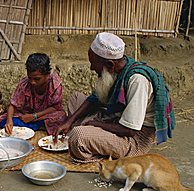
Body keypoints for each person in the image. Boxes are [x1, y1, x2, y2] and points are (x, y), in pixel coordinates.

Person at [55, 32, 175, 163]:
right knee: (75, 98)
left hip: (133, 139)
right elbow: (95, 98)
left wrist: (95, 124)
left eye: (94, 64)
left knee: (78, 135)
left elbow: (129, 130)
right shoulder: (117, 69)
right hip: (113, 118)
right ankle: (91, 135)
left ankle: (96, 148)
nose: (91, 68)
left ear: (110, 65)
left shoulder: (137, 80)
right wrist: (69, 121)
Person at [0, 53, 67, 135]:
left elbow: (55, 107)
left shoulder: (55, 85)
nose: (32, 82)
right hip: (25, 114)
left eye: (37, 79)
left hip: (44, 115)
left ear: (47, 75)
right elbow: (13, 105)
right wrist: (9, 121)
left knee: (61, 117)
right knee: (2, 120)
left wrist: (34, 116)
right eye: (30, 78)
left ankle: (33, 125)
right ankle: (37, 126)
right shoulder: (25, 84)